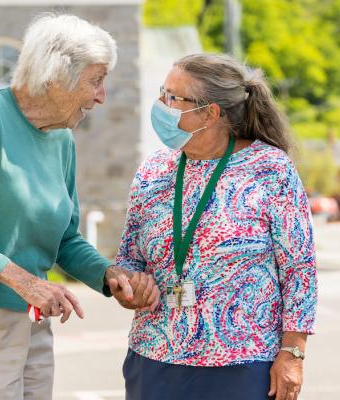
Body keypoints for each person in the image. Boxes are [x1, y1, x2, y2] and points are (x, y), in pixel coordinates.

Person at [0, 13, 159, 400]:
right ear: (56, 75)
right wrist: (26, 283)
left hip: (35, 320)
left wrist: (109, 275)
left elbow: (65, 240)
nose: (101, 96)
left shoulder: (62, 140)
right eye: (96, 80)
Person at [116, 53, 317, 400]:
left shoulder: (270, 169)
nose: (161, 105)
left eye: (173, 98)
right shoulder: (153, 170)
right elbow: (129, 258)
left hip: (244, 364)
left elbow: (299, 270)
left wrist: (293, 354)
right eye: (163, 93)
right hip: (155, 357)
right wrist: (127, 285)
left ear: (210, 113)